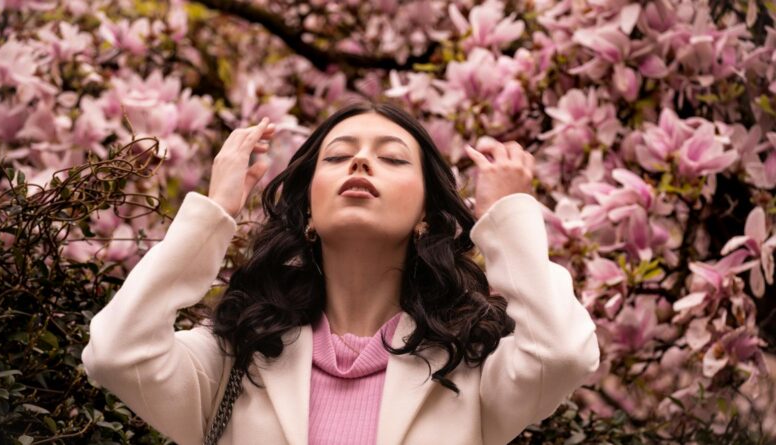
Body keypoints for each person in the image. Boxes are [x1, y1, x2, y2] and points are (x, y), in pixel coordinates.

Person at [81, 101, 600, 445]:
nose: (361, 165)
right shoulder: (237, 357)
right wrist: (212, 214)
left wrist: (508, 217)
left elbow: (562, 352)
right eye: (339, 156)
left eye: (392, 159)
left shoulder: (468, 368)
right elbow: (116, 352)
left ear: (426, 214)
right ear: (306, 209)